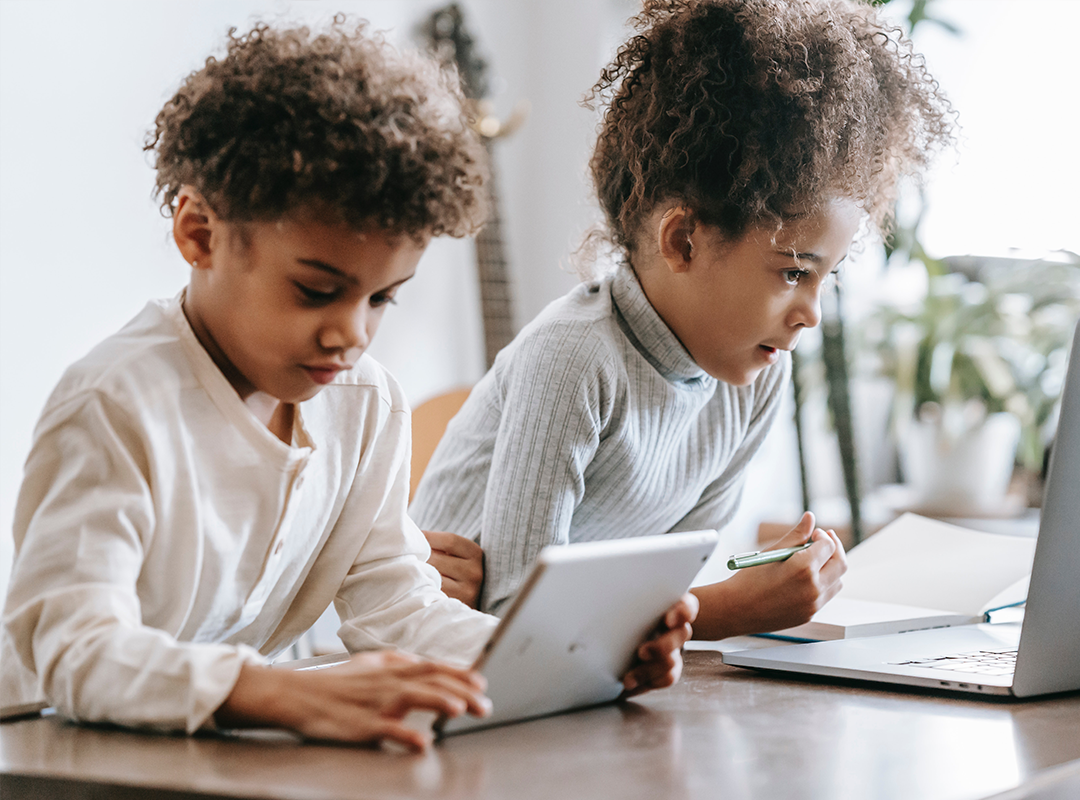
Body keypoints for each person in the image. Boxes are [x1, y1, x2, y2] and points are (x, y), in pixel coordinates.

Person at [0, 19, 695, 752]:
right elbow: (73, 649)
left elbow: (397, 603)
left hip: (204, 761)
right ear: (199, 233)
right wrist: (276, 691)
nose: (351, 334)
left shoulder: (365, 404)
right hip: (52, 756)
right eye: (315, 290)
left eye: (381, 298)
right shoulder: (114, 406)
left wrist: (574, 664)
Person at [411, 0, 954, 633]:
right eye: (793, 272)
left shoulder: (752, 380)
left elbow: (658, 588)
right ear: (683, 242)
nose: (811, 313)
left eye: (827, 278)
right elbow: (518, 620)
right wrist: (731, 608)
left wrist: (703, 603)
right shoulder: (574, 358)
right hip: (428, 664)